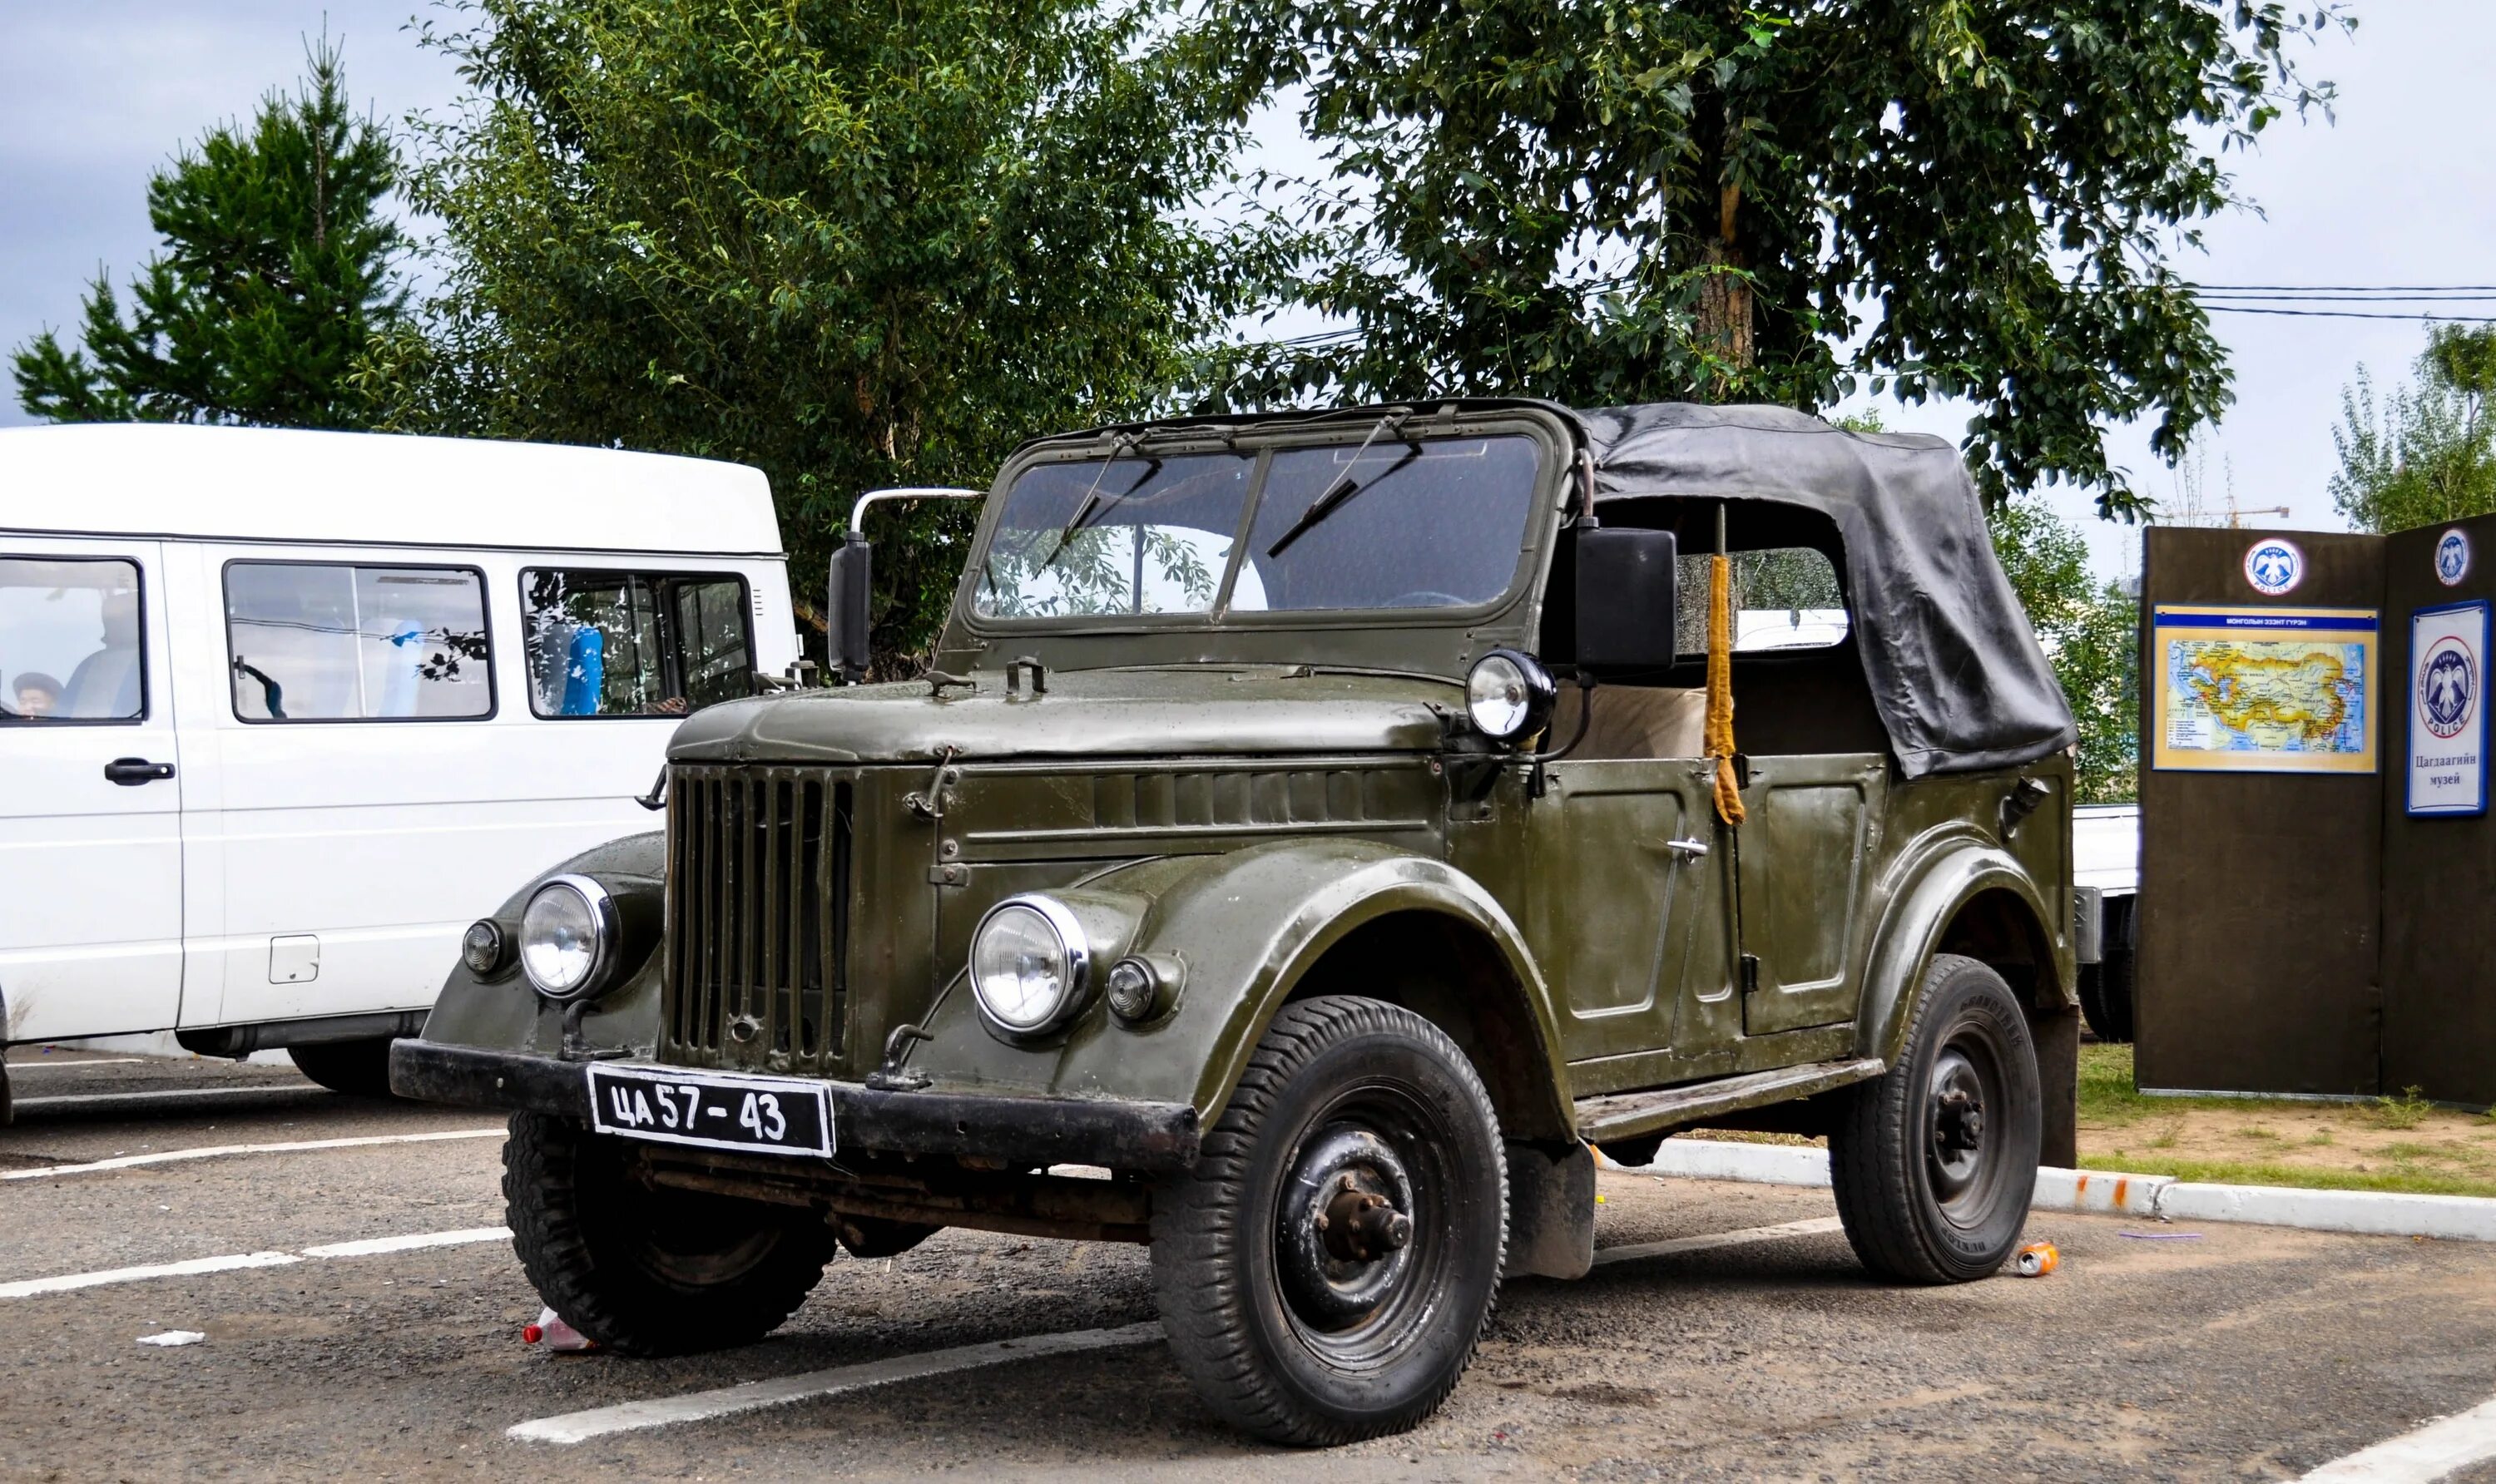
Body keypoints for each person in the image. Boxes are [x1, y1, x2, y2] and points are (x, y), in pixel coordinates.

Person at [58, 591, 141, 719]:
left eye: (121, 619)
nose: (116, 625)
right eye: (111, 620)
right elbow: (62, 715)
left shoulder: (149, 661)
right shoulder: (90, 665)